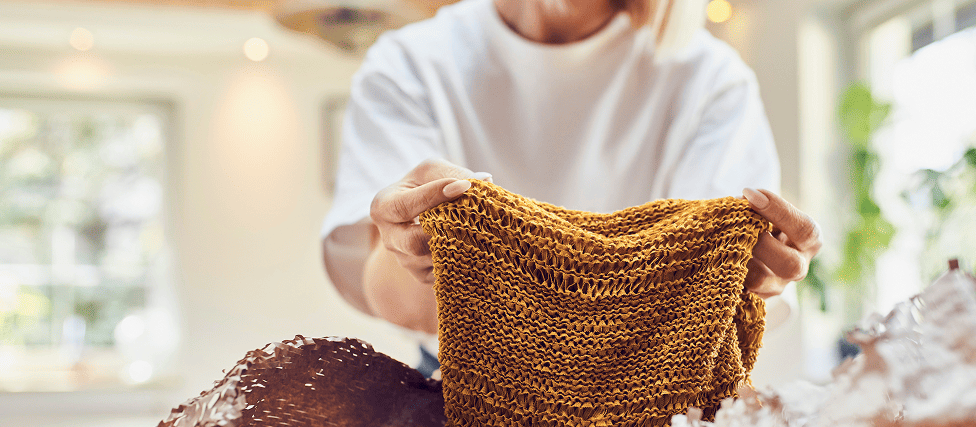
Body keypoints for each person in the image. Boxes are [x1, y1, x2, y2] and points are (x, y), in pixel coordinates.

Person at [321, 0, 821, 351]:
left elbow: (718, 300)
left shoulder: (709, 79)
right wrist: (414, 247)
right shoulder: (408, 65)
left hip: (655, 416)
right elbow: (386, 289)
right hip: (458, 411)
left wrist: (760, 267)